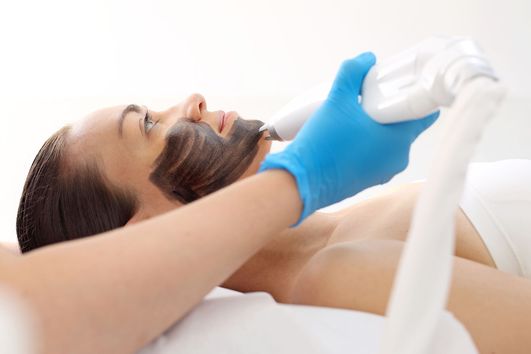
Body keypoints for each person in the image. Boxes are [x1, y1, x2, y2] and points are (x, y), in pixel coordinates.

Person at [8, 52, 531, 353]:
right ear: (143, 230)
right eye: (149, 125)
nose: (192, 101)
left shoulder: (346, 228)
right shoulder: (338, 271)